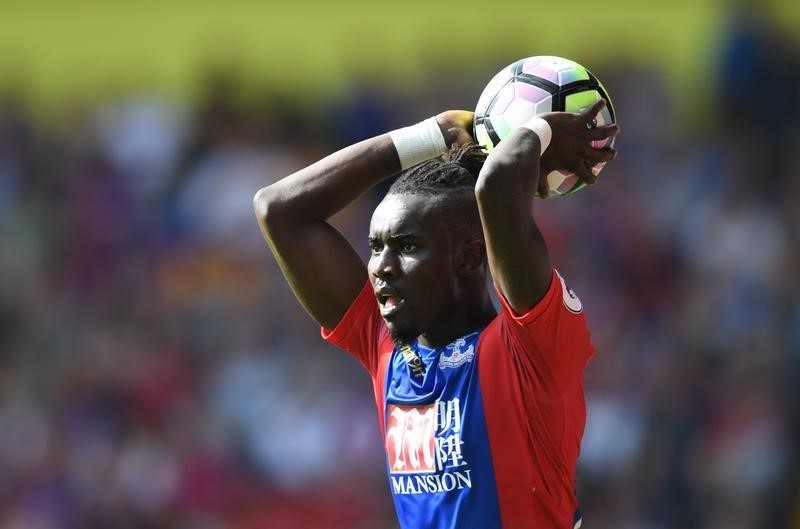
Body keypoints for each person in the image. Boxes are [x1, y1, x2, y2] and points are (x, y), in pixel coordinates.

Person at [253, 99, 619, 529]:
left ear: (468, 258)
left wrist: (539, 130)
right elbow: (277, 209)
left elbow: (499, 186)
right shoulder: (388, 349)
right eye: (375, 246)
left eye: (406, 247)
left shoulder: (531, 348)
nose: (381, 267)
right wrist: (430, 136)